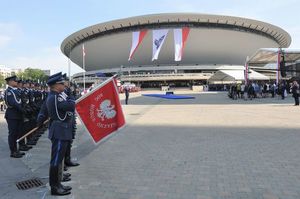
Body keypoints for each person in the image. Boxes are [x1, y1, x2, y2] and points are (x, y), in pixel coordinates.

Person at [46, 73, 74, 195]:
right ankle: (54, 187)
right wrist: (72, 97)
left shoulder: (57, 96)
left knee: (59, 160)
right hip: (59, 130)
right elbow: (70, 106)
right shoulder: (55, 97)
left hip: (61, 130)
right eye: (62, 83)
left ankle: (58, 183)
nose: (64, 85)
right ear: (56, 85)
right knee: (56, 160)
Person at [4, 75, 25, 158]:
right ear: (10, 82)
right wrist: (22, 109)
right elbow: (14, 103)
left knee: (17, 133)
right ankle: (13, 151)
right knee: (13, 134)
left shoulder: (16, 91)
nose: (17, 82)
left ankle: (16, 150)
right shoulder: (9, 91)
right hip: (12, 115)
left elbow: (21, 101)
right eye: (15, 81)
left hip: (18, 115)